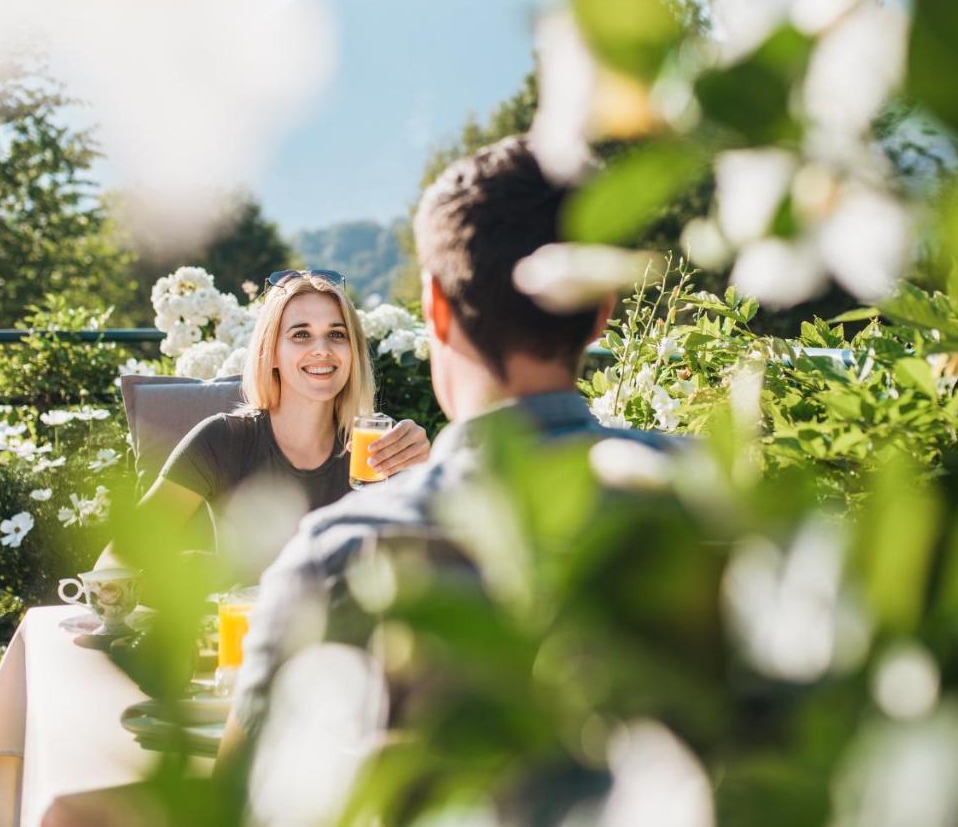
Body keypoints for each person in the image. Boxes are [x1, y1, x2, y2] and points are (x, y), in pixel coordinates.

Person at [219, 136, 674, 763]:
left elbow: (239, 796)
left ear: (434, 308)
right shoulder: (719, 501)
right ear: (601, 312)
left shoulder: (340, 559)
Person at [96, 270, 431, 570]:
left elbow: (436, 571)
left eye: (337, 335)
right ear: (271, 352)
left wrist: (427, 471)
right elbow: (116, 561)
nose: (322, 349)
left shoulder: (378, 450)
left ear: (353, 351)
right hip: (243, 634)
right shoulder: (223, 440)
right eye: (301, 335)